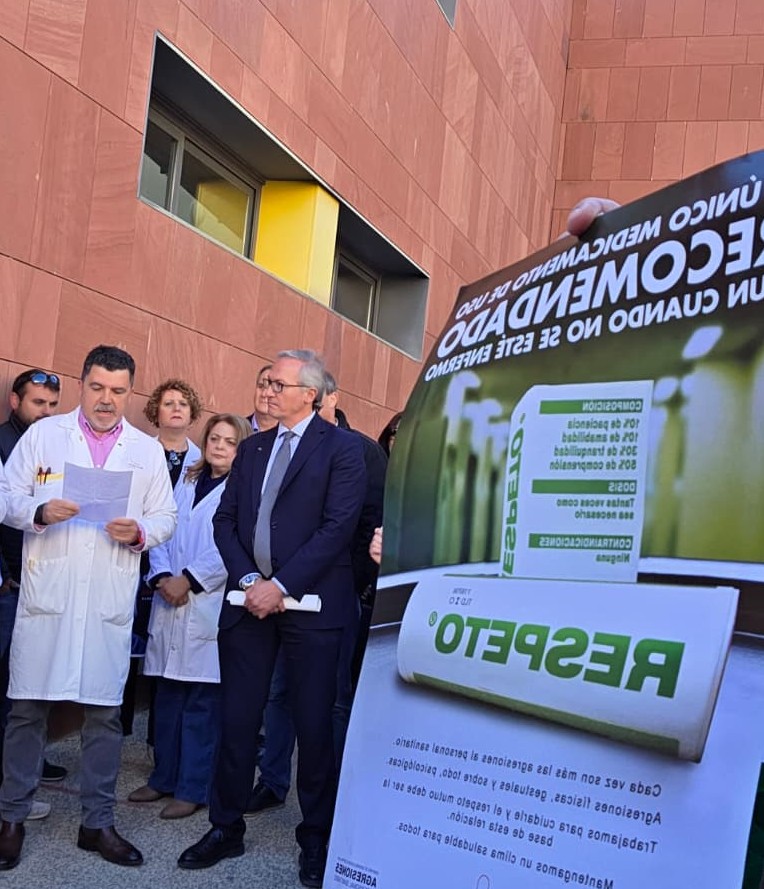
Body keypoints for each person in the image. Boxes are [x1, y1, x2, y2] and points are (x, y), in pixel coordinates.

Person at [178, 349, 366, 889]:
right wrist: (247, 581)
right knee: (237, 721)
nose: (268, 391)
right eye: (265, 382)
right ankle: (225, 827)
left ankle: (316, 839)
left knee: (313, 726)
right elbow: (226, 520)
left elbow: (337, 528)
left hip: (312, 609)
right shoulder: (254, 447)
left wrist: (279, 586)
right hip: (248, 608)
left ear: (310, 393)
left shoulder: (344, 449)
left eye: (278, 384)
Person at [0, 345, 177, 870]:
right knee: (27, 711)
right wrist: (39, 510)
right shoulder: (45, 436)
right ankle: (10, 818)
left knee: (104, 716)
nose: (106, 399)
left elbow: (166, 516)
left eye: (118, 391)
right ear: (82, 384)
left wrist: (140, 531)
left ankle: (97, 824)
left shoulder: (145, 452)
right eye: (98, 387)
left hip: (106, 599)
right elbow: (6, 495)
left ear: (130, 392)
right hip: (49, 594)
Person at [247, 371, 387, 816]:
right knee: (277, 693)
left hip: (331, 600)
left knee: (331, 703)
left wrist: (350, 583)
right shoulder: (275, 446)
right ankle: (272, 781)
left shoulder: (359, 450)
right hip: (278, 597)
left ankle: (334, 798)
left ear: (326, 398)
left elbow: (366, 525)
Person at [129, 413, 252, 819]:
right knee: (167, 698)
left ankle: (192, 788)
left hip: (206, 604)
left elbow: (231, 547)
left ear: (242, 449)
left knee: (201, 705)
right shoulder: (186, 479)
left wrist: (190, 580)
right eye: (214, 438)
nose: (219, 446)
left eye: (230, 442)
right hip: (169, 598)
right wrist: (163, 576)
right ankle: (163, 777)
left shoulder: (244, 491)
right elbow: (161, 527)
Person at [120, 379, 203, 737]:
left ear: (192, 412)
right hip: (134, 557)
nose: (176, 408)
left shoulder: (202, 461)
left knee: (165, 650)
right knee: (126, 646)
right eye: (169, 403)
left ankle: (158, 738)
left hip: (176, 567)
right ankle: (120, 728)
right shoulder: (139, 452)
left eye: (183, 403)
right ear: (156, 410)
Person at [0, 370, 67, 808]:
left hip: (42, 579)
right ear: (15, 401)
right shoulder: (3, 444)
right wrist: (5, 574)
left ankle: (24, 764)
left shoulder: (54, 446)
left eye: (52, 405)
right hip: (10, 582)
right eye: (37, 402)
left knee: (28, 681)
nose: (45, 411)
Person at [246, 364, 277, 433]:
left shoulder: (289, 436)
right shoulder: (238, 430)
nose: (264, 394)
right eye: (261, 386)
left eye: (273, 389)